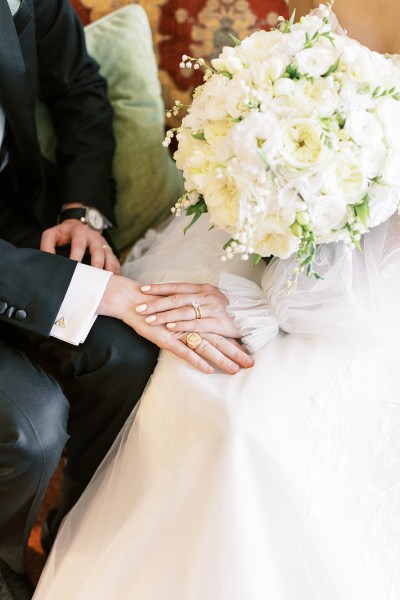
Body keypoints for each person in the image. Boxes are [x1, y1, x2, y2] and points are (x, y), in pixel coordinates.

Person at [32, 1, 400, 598]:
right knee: (176, 369)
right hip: (261, 237)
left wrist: (269, 306)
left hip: (373, 295)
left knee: (242, 427)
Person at [0, 1, 252, 597]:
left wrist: (80, 210)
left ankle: (79, 542)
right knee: (30, 429)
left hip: (16, 232)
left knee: (129, 356)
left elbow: (79, 88)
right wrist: (98, 291)